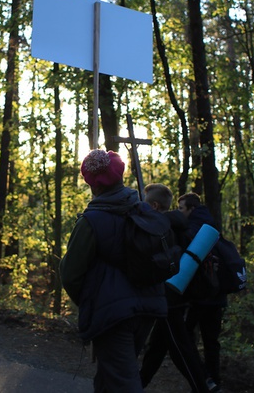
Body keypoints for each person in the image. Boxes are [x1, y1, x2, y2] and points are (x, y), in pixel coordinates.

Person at [60, 149, 167, 392]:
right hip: (149, 309)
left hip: (114, 316)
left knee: (122, 381)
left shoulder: (90, 222)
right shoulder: (146, 212)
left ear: (92, 184)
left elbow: (70, 274)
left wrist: (90, 300)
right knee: (110, 377)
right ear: (120, 174)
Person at [139, 184, 211, 392]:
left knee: (181, 347)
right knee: (157, 346)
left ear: (153, 205)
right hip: (175, 293)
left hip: (169, 297)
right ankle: (137, 384)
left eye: (145, 202)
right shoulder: (179, 224)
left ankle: (202, 387)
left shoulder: (163, 227)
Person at [179, 192, 225, 392]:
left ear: (191, 209)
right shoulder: (212, 227)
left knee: (186, 337)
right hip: (217, 294)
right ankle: (213, 380)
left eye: (181, 208)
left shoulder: (192, 229)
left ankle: (203, 378)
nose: (179, 212)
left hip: (199, 296)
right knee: (211, 341)